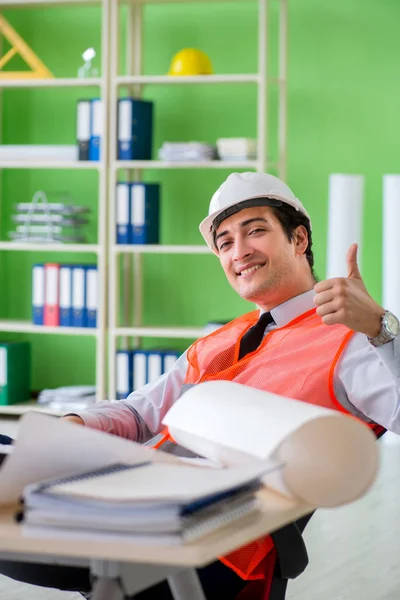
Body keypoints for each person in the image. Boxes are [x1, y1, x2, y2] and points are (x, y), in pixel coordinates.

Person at [1, 171, 400, 600]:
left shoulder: (352, 339)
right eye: (225, 242)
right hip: (128, 493)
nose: (240, 251)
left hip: (211, 539)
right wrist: (76, 425)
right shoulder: (220, 339)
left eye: (256, 231)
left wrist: (383, 330)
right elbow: (140, 413)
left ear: (299, 240)